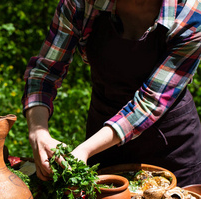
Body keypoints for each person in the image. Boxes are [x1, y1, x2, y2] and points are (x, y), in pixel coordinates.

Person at [22, 0, 201, 187]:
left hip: (170, 148)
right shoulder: (82, 4)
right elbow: (45, 72)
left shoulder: (191, 15)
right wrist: (38, 131)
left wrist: (85, 150)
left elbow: (149, 102)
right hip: (101, 143)